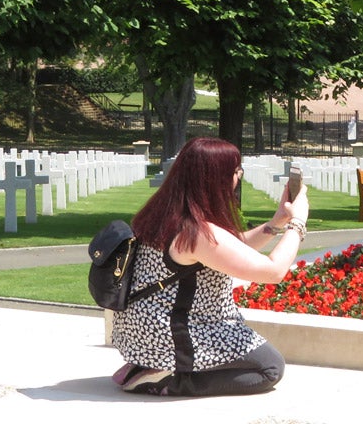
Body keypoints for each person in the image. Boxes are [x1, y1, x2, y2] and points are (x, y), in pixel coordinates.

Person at [110, 136, 309, 396]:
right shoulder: (197, 233)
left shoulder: (164, 215)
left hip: (143, 327)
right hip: (173, 330)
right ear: (215, 178)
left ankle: (153, 365)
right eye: (236, 171)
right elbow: (273, 272)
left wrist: (277, 222)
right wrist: (298, 223)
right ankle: (169, 379)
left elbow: (234, 248)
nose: (238, 177)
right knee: (269, 369)